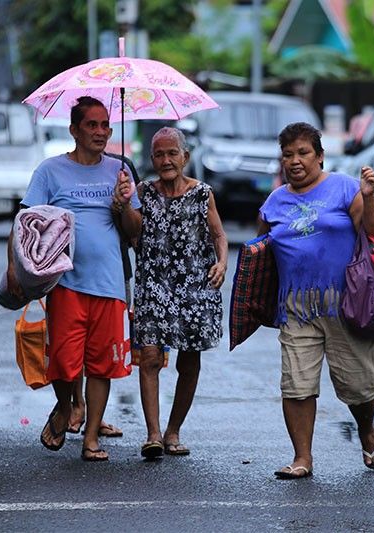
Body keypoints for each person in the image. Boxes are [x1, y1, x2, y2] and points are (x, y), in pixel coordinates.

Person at [6, 96, 142, 462]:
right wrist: (13, 268)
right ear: (74, 130)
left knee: (103, 365)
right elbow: (23, 222)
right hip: (64, 283)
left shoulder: (120, 171)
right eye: (91, 125)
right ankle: (66, 406)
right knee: (64, 362)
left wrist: (123, 204)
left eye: (105, 126)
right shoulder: (50, 171)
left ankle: (91, 437)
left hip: (109, 283)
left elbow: (135, 232)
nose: (100, 132)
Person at [256, 122, 374, 479]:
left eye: (303, 153)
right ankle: (303, 457)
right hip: (296, 307)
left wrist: (370, 196)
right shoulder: (275, 201)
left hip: (345, 303)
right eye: (288, 154)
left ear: (320, 155)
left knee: (358, 387)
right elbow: (260, 251)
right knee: (296, 384)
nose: (295, 161)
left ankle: (366, 428)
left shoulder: (345, 188)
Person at [133, 127, 227, 459]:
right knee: (150, 357)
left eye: (173, 153)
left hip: (195, 287)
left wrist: (222, 263)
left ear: (185, 157)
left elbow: (219, 235)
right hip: (154, 285)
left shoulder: (202, 193)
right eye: (159, 154)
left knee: (189, 362)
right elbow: (130, 232)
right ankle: (154, 434)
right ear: (152, 158)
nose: (166, 160)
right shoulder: (142, 192)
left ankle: (173, 431)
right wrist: (122, 205)